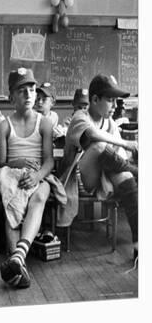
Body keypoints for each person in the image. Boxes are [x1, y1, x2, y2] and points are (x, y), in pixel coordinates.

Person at [0, 68, 66, 289]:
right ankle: (19, 261)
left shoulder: (44, 123)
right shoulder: (4, 125)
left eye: (32, 89)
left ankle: (18, 256)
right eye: (21, 90)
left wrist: (36, 176)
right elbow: (1, 163)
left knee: (40, 197)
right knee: (11, 203)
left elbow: (49, 161)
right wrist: (16, 166)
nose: (28, 94)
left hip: (38, 176)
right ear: (11, 97)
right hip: (12, 175)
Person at [59, 74, 138, 260]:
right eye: (110, 100)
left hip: (103, 178)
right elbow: (93, 135)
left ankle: (138, 245)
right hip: (76, 181)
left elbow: (119, 157)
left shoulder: (110, 122)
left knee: (127, 180)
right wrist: (127, 145)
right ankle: (139, 173)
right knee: (99, 146)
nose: (114, 105)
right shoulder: (80, 116)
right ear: (94, 100)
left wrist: (126, 165)